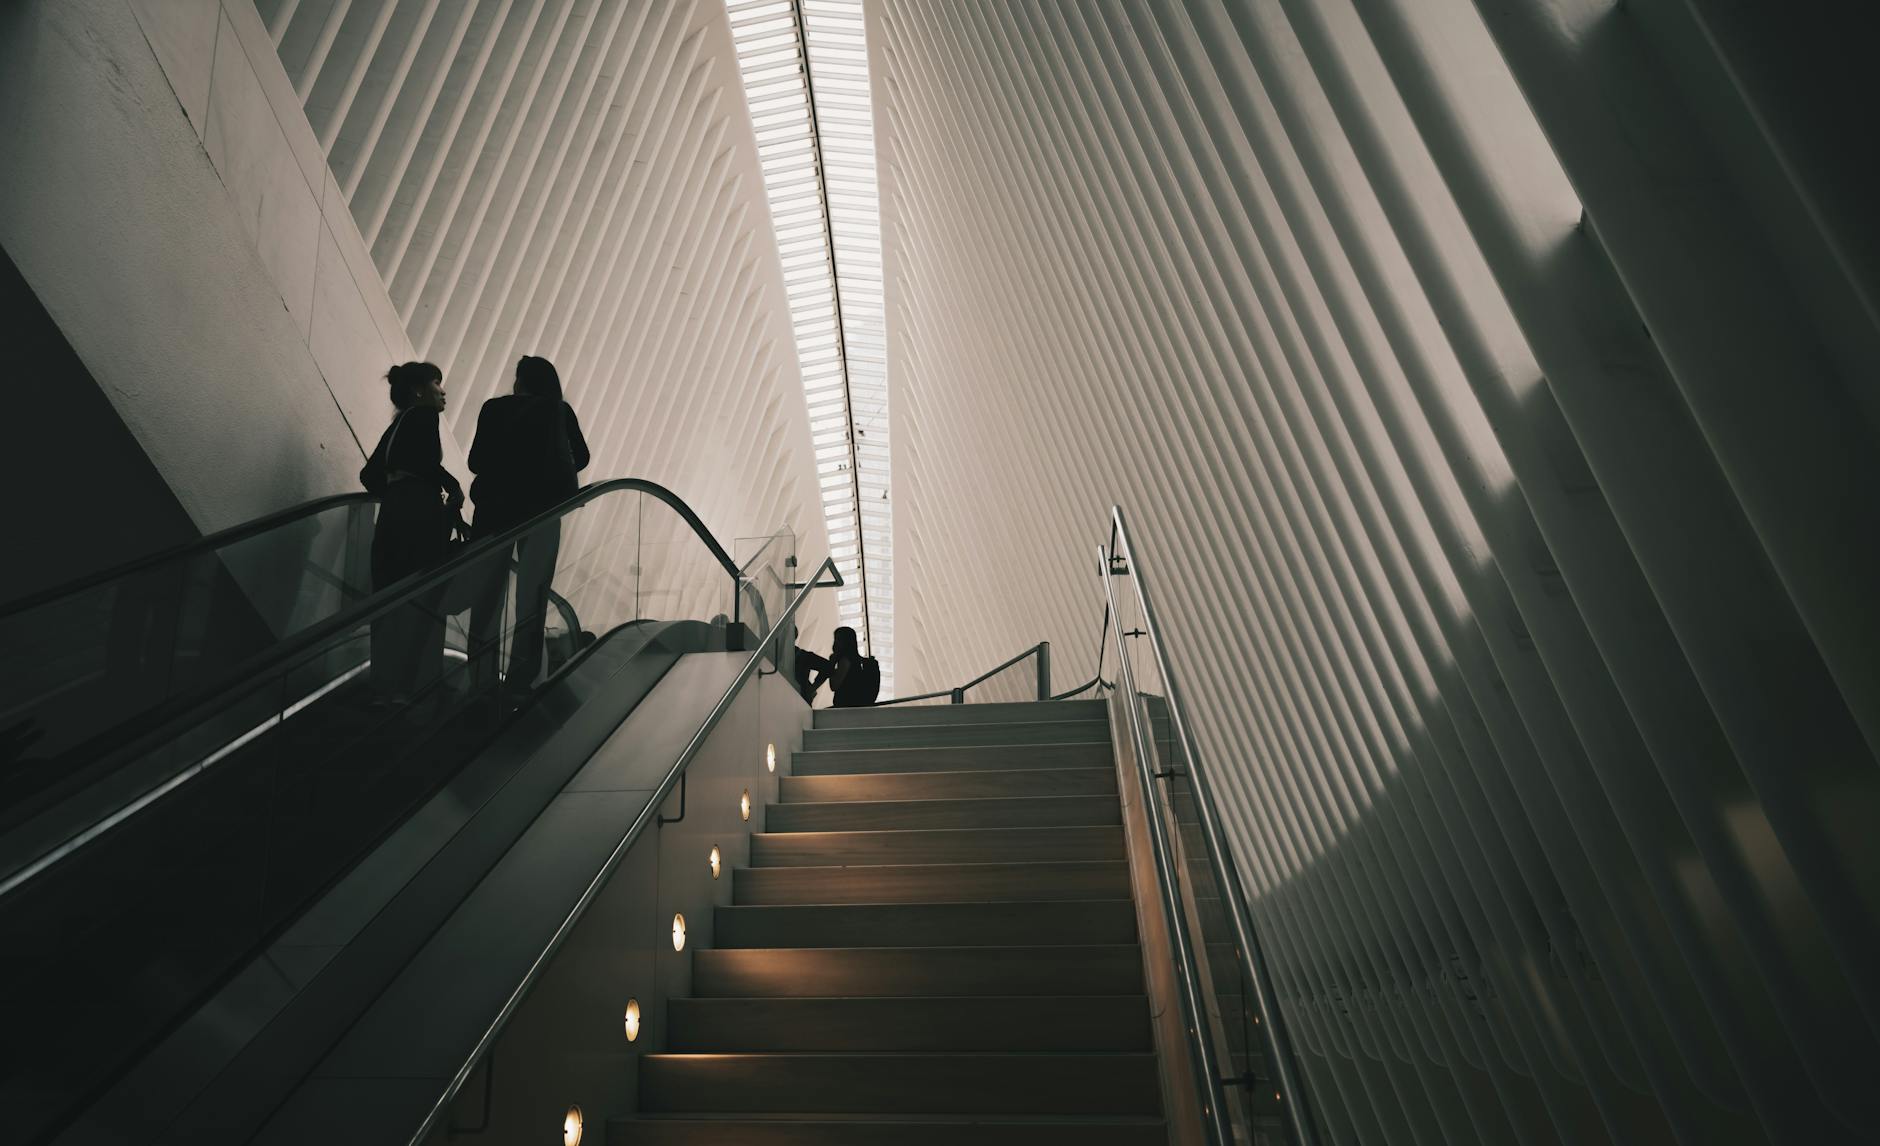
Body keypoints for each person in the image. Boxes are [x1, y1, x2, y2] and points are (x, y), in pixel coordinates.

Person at [466, 355, 589, 694]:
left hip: (494, 514)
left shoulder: (493, 409)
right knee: (532, 598)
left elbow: (476, 461)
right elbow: (582, 457)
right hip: (542, 513)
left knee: (486, 598)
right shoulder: (559, 410)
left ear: (520, 381)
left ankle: (481, 680)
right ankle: (522, 679)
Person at [360, 362, 464, 703]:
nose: (442, 390)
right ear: (419, 390)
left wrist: (396, 490)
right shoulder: (423, 416)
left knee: (391, 596)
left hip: (393, 516)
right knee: (423, 596)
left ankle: (385, 686)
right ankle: (418, 683)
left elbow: (369, 475)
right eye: (437, 382)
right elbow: (425, 465)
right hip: (419, 517)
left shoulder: (397, 426)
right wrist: (450, 487)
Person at [820, 625, 880, 708]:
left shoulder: (845, 660)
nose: (835, 643)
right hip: (861, 705)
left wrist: (832, 663)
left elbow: (834, 686)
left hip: (845, 706)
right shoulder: (859, 661)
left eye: (837, 640)